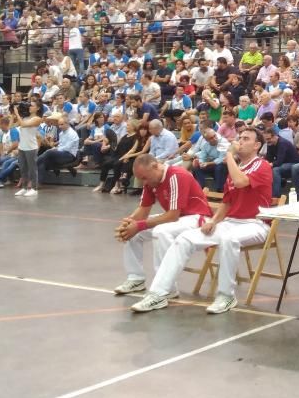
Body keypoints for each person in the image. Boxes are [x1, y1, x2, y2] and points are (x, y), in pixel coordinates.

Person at [130, 129, 273, 313]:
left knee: (229, 239)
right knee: (184, 239)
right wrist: (213, 221)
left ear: (257, 146)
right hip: (230, 223)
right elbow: (227, 202)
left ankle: (226, 296)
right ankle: (159, 294)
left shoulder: (261, 165)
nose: (240, 141)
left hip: (255, 224)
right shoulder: (235, 169)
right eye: (240, 138)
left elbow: (240, 182)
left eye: (246, 139)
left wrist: (229, 155)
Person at [112, 154, 213, 296]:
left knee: (161, 231)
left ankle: (166, 288)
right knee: (133, 231)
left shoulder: (177, 176)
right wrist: (128, 224)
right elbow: (143, 210)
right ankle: (136, 278)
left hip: (198, 219)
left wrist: (139, 225)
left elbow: (172, 216)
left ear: (155, 166)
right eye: (141, 179)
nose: (144, 182)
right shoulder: (150, 181)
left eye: (145, 178)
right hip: (179, 219)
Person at [35, 113, 79, 183]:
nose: (60, 126)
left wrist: (55, 149)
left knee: (49, 152)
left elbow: (67, 148)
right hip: (61, 153)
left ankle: (34, 162)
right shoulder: (61, 133)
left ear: (67, 124)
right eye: (59, 125)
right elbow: (61, 145)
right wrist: (55, 148)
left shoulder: (72, 133)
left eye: (62, 124)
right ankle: (37, 183)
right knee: (43, 162)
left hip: (69, 155)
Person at [13, 105, 44, 197]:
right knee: (23, 169)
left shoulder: (37, 119)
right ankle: (24, 187)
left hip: (31, 147)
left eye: (32, 106)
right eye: (29, 106)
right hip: (22, 146)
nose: (30, 107)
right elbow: (12, 126)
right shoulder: (24, 118)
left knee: (32, 169)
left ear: (37, 108)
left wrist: (17, 114)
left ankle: (34, 188)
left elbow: (23, 125)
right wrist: (12, 116)